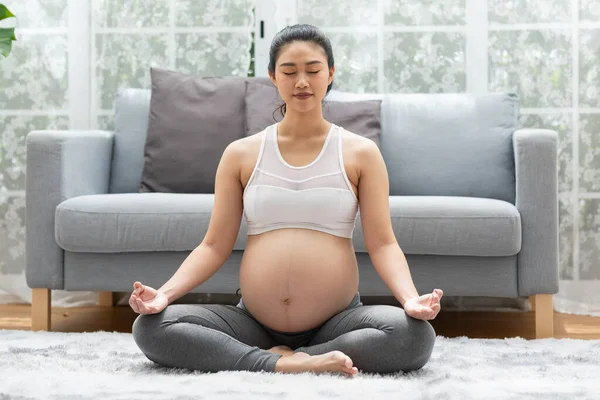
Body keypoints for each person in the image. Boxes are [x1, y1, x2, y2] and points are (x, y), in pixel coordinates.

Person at [131, 24, 443, 377]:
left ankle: (298, 356)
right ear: (272, 77)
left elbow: (383, 243)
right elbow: (214, 245)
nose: (302, 82)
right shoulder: (240, 154)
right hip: (253, 321)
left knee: (413, 337)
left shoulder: (361, 153)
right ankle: (282, 362)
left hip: (338, 322)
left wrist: (409, 299)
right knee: (150, 327)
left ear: (330, 74)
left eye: (313, 70)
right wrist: (164, 296)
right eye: (289, 71)